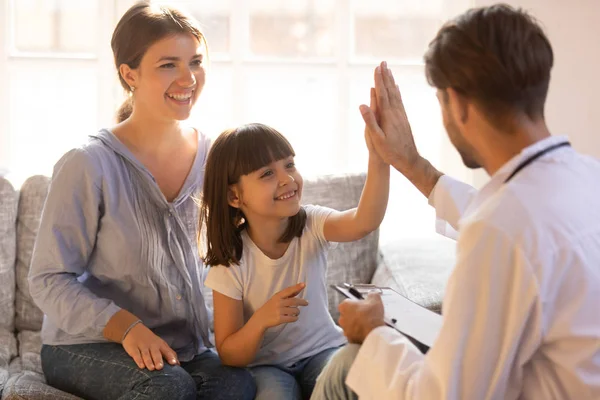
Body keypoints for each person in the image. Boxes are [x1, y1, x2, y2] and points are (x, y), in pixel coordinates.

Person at [313, 4, 600, 400]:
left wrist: (374, 331)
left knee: (345, 368)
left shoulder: (501, 228)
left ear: (458, 103)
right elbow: (516, 224)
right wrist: (412, 164)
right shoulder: (587, 178)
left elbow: (445, 395)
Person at [28, 2, 255, 399]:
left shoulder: (215, 158)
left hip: (184, 346)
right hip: (87, 345)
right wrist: (127, 327)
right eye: (169, 64)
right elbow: (47, 280)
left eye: (196, 62)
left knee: (235, 383)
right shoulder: (88, 164)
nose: (188, 78)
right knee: (166, 386)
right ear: (129, 74)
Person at [200, 119, 390, 399]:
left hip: (323, 350)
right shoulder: (230, 261)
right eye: (267, 173)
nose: (287, 178)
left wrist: (379, 158)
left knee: (351, 376)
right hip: (266, 367)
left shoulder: (311, 224)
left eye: (289, 164)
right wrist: (261, 319)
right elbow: (229, 354)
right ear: (234, 196)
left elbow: (364, 221)